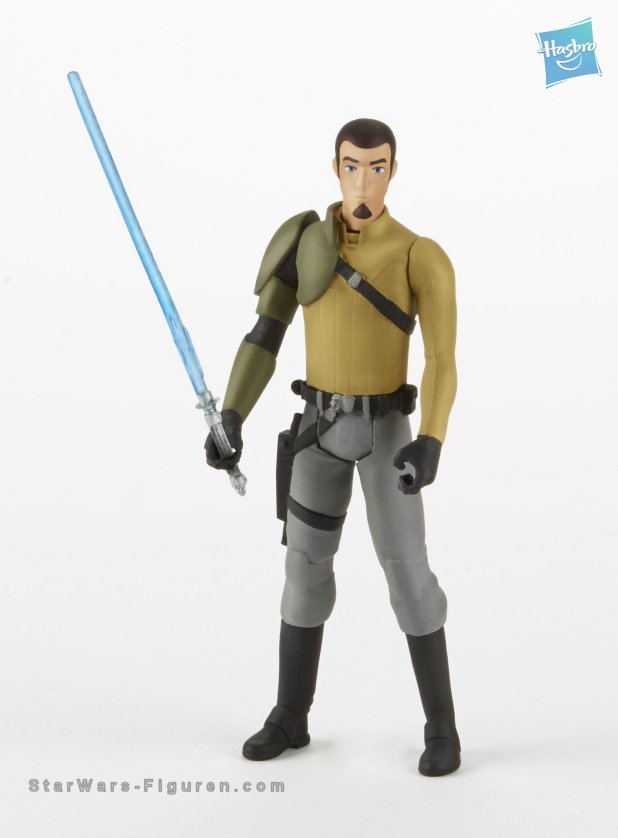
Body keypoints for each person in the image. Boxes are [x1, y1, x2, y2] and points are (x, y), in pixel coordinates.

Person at [205, 118, 460, 776]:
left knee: (408, 574)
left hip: (386, 434)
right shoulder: (304, 245)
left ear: (393, 170)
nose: (363, 181)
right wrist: (232, 414)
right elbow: (264, 336)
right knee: (303, 571)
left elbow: (441, 359)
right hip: (318, 431)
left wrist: (431, 439)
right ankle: (290, 714)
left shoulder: (418, 255)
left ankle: (442, 726)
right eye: (352, 166)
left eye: (376, 167)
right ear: (335, 167)